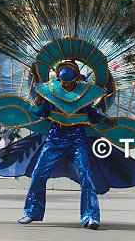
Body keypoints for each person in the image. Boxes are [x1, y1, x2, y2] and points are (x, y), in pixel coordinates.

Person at [17, 61, 115, 230]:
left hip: (77, 138)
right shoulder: (51, 90)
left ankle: (91, 216)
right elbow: (40, 113)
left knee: (86, 175)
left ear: (76, 79)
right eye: (64, 82)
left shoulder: (84, 93)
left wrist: (106, 120)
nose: (66, 85)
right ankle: (32, 212)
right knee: (38, 173)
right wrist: (39, 101)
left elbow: (92, 114)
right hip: (55, 137)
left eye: (69, 83)